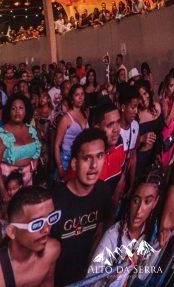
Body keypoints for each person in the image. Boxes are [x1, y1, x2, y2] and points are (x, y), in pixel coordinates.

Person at [51, 128, 112, 286]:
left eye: (99, 156)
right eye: (87, 158)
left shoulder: (103, 191)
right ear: (74, 163)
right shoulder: (55, 201)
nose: (94, 165)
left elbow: (99, 230)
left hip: (84, 277)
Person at [88, 173, 163, 287]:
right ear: (130, 200)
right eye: (136, 201)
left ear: (155, 202)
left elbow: (141, 274)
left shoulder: (146, 233)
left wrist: (158, 247)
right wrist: (114, 274)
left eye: (147, 201)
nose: (139, 211)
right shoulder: (112, 236)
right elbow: (90, 281)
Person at [0, 93, 41, 198]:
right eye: (13, 108)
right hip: (8, 182)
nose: (17, 111)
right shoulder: (1, 134)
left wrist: (35, 160)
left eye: (21, 108)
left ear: (26, 111)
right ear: (9, 112)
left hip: (28, 179)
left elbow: (37, 148)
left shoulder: (31, 130)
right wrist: (2, 189)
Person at [54, 83, 88, 178]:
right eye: (77, 95)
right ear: (72, 98)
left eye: (82, 94)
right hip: (67, 159)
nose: (80, 97)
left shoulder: (85, 113)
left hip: (81, 157)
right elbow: (57, 145)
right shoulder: (66, 118)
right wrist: (60, 167)